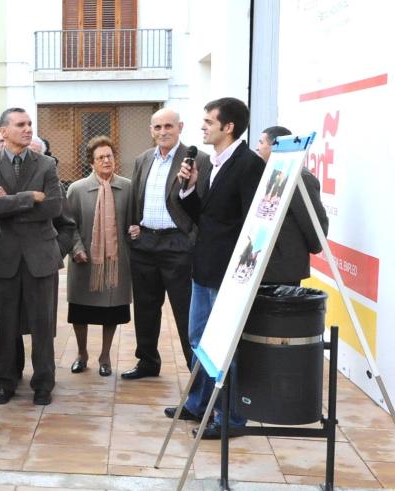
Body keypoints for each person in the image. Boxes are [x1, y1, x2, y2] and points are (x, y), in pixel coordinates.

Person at [168, 97, 265, 439]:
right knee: (198, 338)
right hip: (204, 267)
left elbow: (253, 224)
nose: (203, 127)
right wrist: (191, 186)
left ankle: (230, 417)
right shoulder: (213, 163)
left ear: (229, 127)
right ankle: (198, 403)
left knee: (224, 345)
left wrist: (240, 273)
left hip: (227, 273)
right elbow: (206, 218)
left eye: (209, 121)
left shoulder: (248, 165)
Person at [0, 108, 63, 406]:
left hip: (40, 255)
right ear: (3, 131)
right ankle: (4, 381)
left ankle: (43, 384)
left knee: (42, 325)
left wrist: (10, 202)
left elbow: (53, 207)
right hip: (3, 255)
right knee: (4, 325)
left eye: (29, 124)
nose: (28, 129)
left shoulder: (46, 164)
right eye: (20, 124)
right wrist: (30, 198)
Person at [122, 108, 210, 379]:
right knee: (146, 309)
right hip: (145, 244)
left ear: (180, 127)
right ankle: (147, 362)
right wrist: (134, 227)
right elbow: (136, 196)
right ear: (151, 130)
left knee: (186, 312)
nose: (163, 132)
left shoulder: (200, 160)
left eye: (168, 126)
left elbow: (202, 202)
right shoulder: (143, 159)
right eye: (158, 127)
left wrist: (192, 238)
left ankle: (194, 371)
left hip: (179, 246)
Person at [64, 137, 133, 377]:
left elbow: (132, 221)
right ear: (91, 163)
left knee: (111, 310)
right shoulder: (77, 189)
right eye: (100, 157)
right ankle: (81, 353)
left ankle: (105, 356)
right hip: (85, 260)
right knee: (80, 310)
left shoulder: (127, 187)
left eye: (109, 156)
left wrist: (135, 230)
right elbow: (67, 225)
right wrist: (76, 249)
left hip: (116, 262)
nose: (106, 160)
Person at [255, 126, 329, 285]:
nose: (257, 147)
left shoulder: (301, 178)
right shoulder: (270, 173)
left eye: (261, 142)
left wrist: (315, 246)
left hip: (283, 268)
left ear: (275, 145)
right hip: (263, 265)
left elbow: (312, 222)